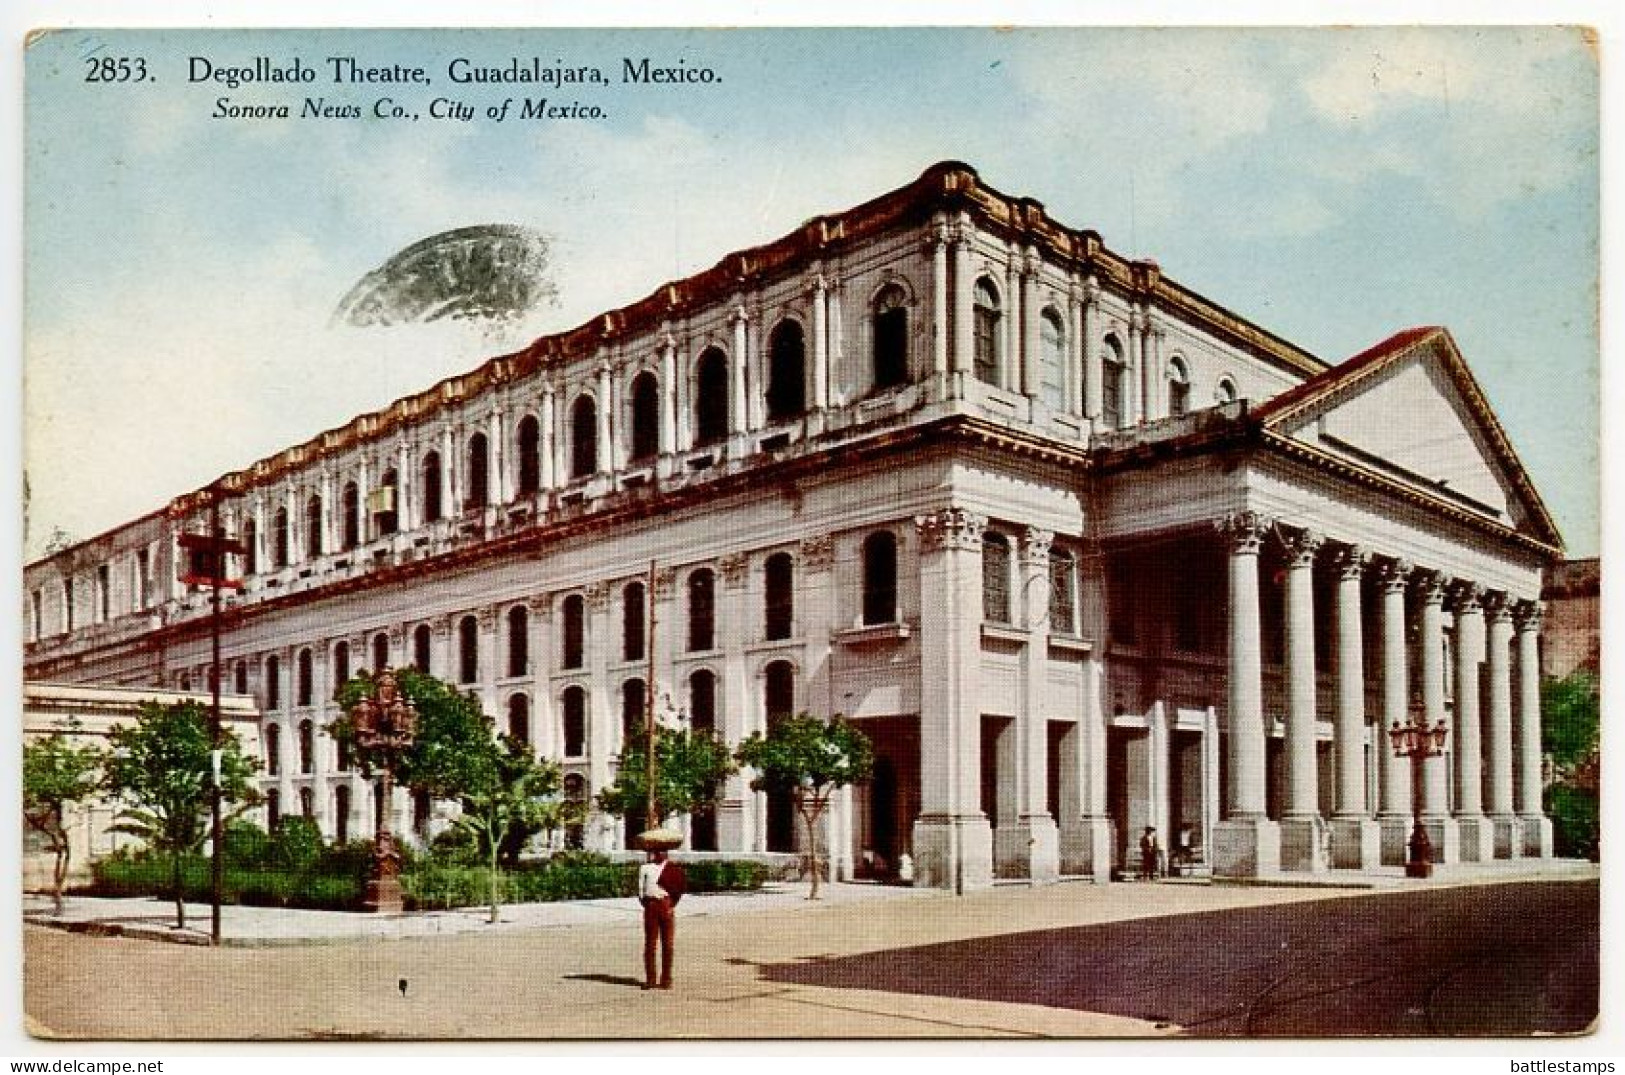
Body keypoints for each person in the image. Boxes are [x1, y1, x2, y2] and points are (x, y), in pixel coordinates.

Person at [637, 848, 686, 989]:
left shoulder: (671, 869)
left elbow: (678, 889)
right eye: (657, 851)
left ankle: (666, 979)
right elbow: (641, 891)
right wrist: (648, 904)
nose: (660, 854)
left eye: (663, 851)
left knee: (668, 945)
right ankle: (650, 979)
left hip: (666, 905)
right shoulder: (645, 868)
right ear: (653, 853)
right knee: (650, 945)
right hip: (651, 906)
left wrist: (671, 905)